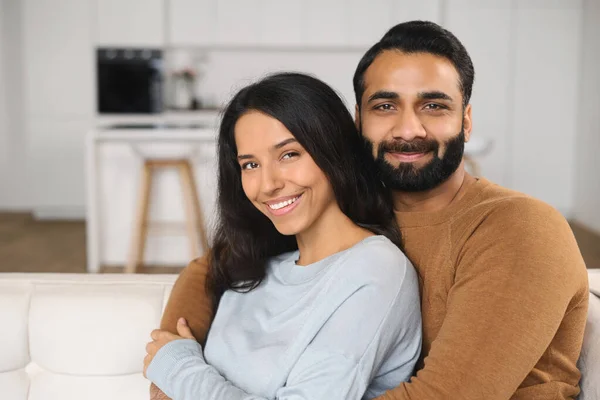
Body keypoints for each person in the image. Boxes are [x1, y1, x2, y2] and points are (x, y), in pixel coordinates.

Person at [148, 20, 589, 400]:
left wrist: (182, 375)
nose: (408, 128)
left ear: (466, 120)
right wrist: (172, 361)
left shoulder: (516, 228)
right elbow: (212, 270)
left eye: (434, 106)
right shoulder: (338, 210)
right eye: (385, 106)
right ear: (357, 121)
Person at [144, 72, 422, 399]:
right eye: (250, 165)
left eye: (289, 154)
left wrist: (179, 369)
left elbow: (180, 371)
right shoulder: (255, 267)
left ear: (333, 151)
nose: (268, 184)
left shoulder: (376, 270)